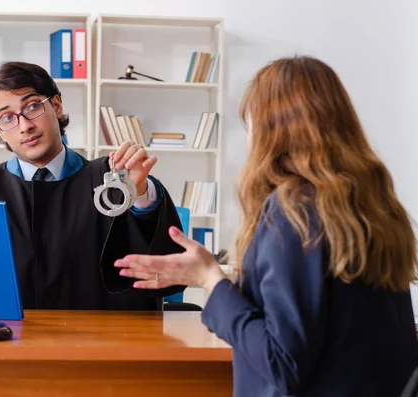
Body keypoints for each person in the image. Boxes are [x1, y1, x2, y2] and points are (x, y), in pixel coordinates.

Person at [114, 55, 418, 396]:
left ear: (272, 130)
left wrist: (209, 279)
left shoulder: (294, 212)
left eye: (250, 124)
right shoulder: (375, 205)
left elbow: (281, 363)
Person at [0, 61, 185, 312]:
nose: (24, 125)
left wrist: (141, 195)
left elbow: (170, 273)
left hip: (100, 354)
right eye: (7, 117)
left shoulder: (115, 180)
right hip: (3, 352)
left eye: (32, 106)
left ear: (57, 106)